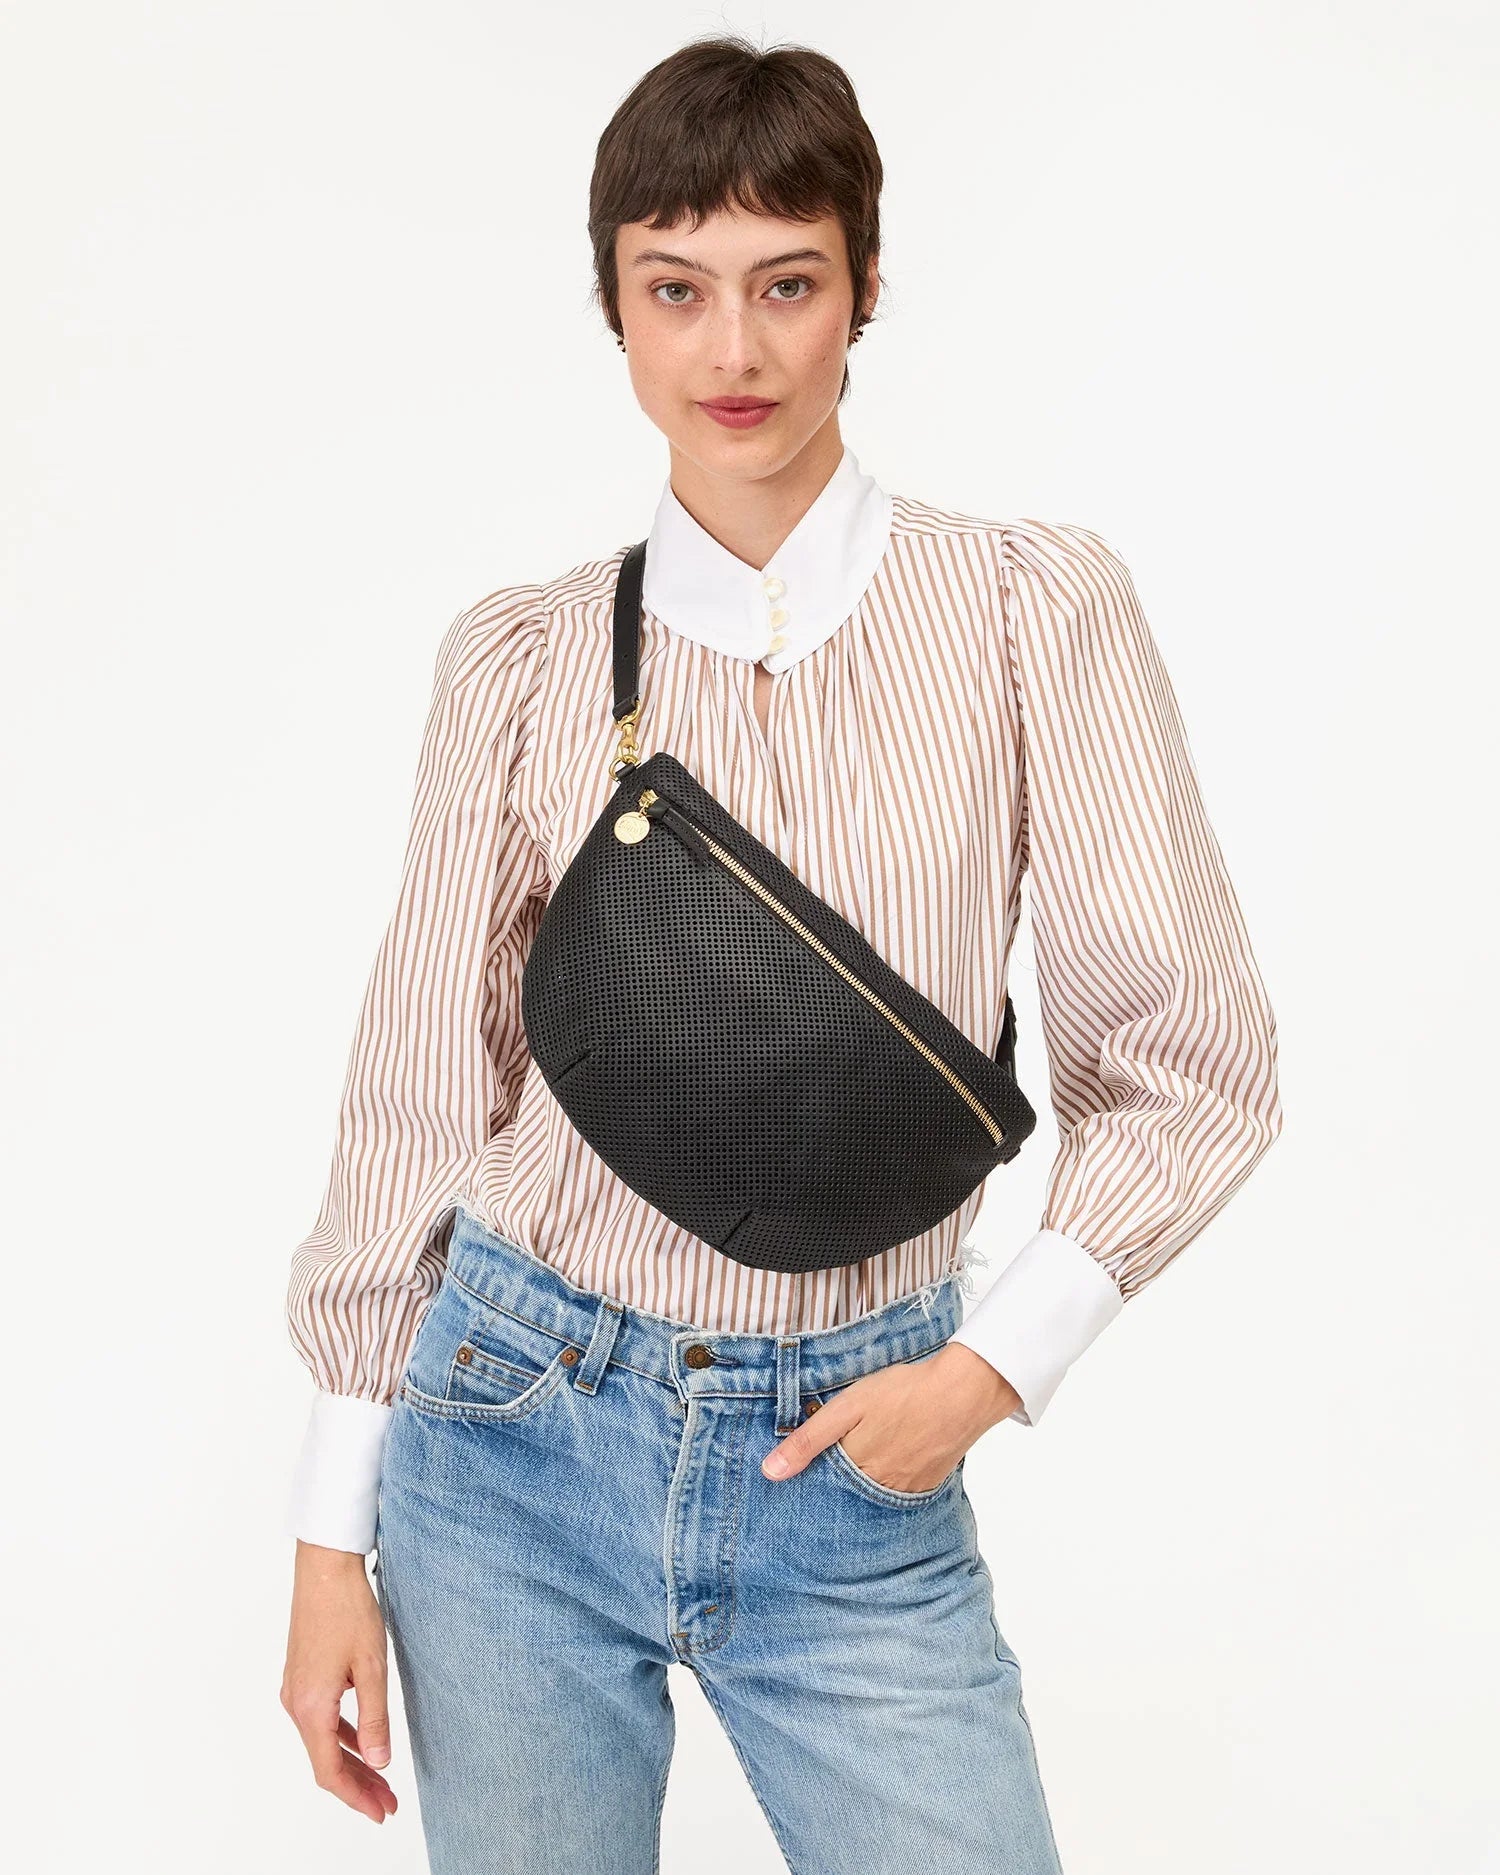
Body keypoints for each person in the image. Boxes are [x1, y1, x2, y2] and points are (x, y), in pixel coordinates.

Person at [279, 35, 1283, 1875]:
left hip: (855, 1452)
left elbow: (1191, 1056)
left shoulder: (1031, 615)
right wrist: (331, 1531)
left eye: (785, 286)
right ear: (614, 308)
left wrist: (993, 1369)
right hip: (505, 1437)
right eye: (675, 292)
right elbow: (422, 1093)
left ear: (866, 288)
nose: (732, 355)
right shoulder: (518, 663)